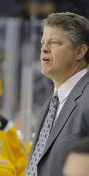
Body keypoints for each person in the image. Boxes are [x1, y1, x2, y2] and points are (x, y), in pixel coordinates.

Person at [25, 12, 89, 176]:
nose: (44, 49)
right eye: (43, 43)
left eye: (54, 43)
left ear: (79, 52)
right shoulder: (49, 105)